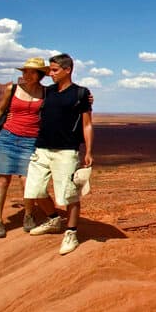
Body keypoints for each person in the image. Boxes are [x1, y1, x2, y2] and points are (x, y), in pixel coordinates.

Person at [24, 53, 93, 255]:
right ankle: (53, 219)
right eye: (50, 70)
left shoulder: (80, 93)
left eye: (54, 70)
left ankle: (71, 233)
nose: (51, 74)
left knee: (69, 195)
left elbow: (87, 124)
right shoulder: (47, 92)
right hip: (42, 148)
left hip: (66, 151)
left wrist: (88, 151)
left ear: (67, 70)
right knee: (34, 191)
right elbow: (25, 88)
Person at [0, 57, 57, 238]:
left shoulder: (47, 93)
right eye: (24, 71)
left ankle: (29, 215)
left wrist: (88, 98)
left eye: (31, 71)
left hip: (31, 140)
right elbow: (1, 110)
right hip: (8, 137)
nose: (26, 75)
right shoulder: (13, 89)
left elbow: (67, 98)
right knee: (2, 180)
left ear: (39, 74)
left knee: (27, 180)